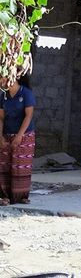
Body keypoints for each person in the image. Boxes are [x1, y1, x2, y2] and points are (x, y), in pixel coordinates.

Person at [0, 74, 36, 205]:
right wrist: (0, 136)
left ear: (12, 77)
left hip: (25, 135)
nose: (0, 81)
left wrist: (19, 136)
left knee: (20, 166)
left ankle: (21, 197)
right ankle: (5, 196)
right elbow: (1, 118)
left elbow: (28, 116)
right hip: (6, 134)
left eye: (2, 78)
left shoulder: (26, 94)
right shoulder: (3, 95)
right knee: (4, 166)